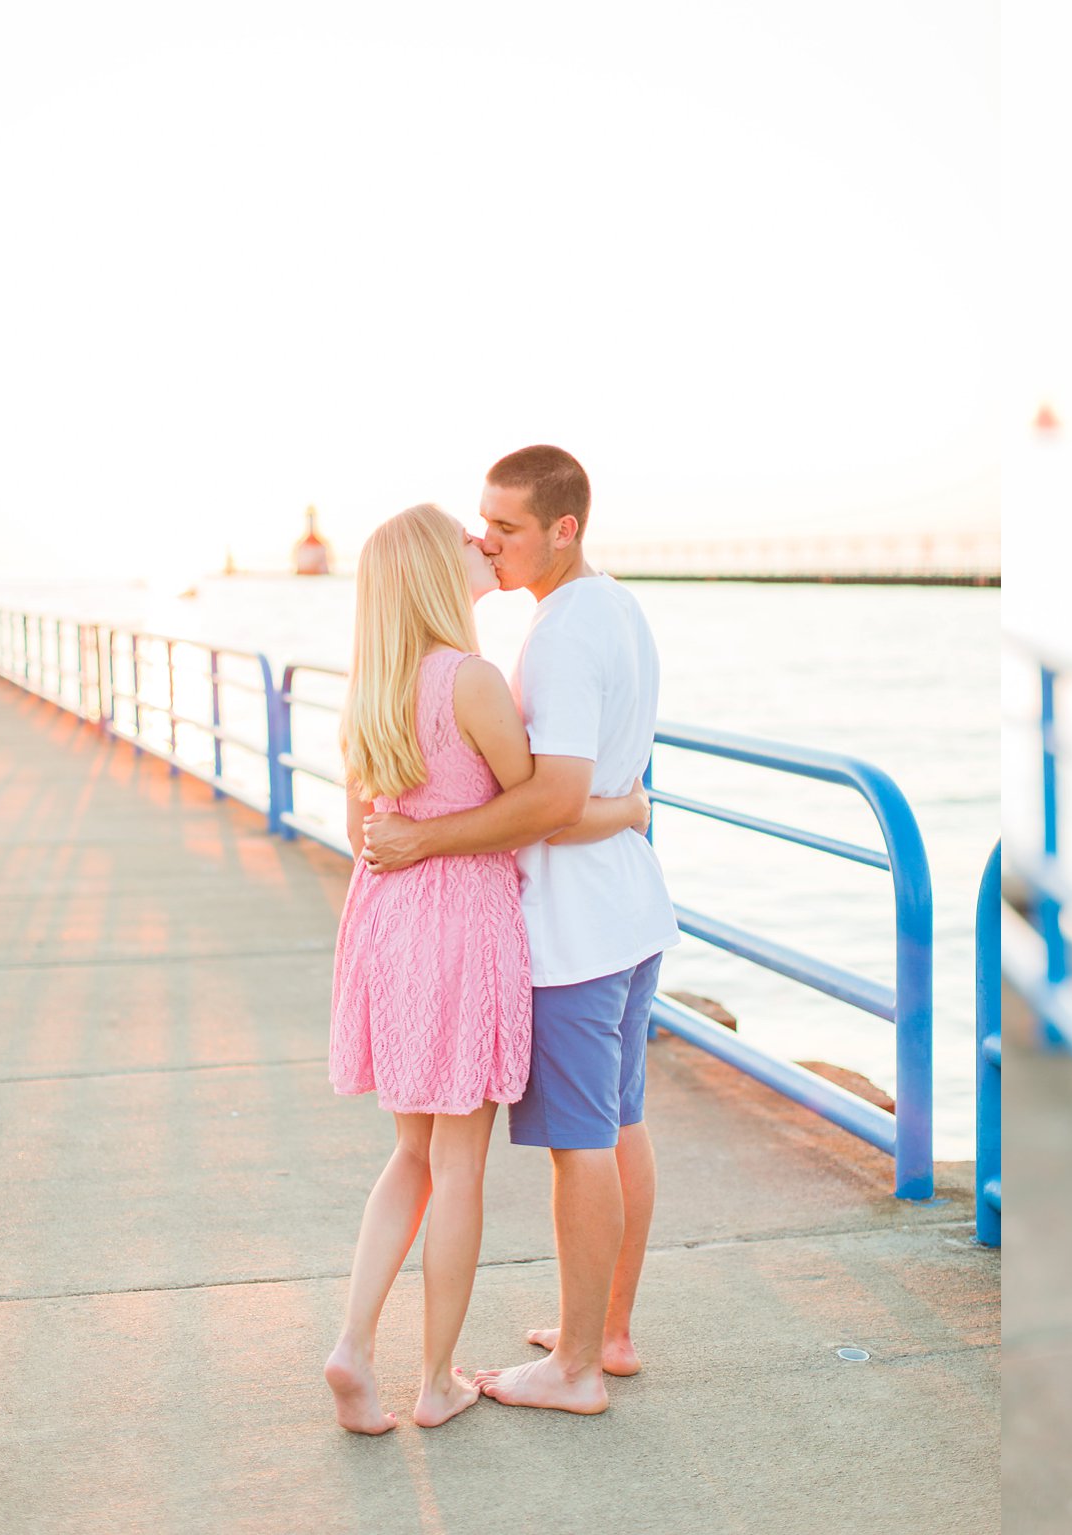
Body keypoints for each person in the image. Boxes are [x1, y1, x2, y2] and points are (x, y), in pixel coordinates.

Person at [361, 446, 680, 1416]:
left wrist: (423, 838)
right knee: (618, 1123)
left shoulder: (556, 641)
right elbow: (589, 791)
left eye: (504, 527)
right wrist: (627, 813)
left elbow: (552, 795)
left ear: (563, 528)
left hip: (575, 929)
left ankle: (578, 1364)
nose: (486, 540)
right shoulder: (612, 607)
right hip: (628, 909)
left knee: (578, 1141)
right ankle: (607, 1327)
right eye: (480, 524)